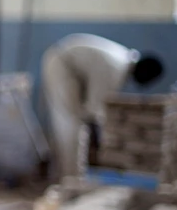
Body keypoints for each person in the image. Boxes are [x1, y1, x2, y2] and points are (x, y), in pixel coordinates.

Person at [41, 33, 163, 179]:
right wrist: (105, 143)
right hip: (63, 64)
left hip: (69, 65)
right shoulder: (115, 69)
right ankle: (70, 179)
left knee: (73, 125)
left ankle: (68, 175)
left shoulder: (122, 59)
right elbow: (94, 110)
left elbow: (94, 109)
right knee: (71, 125)